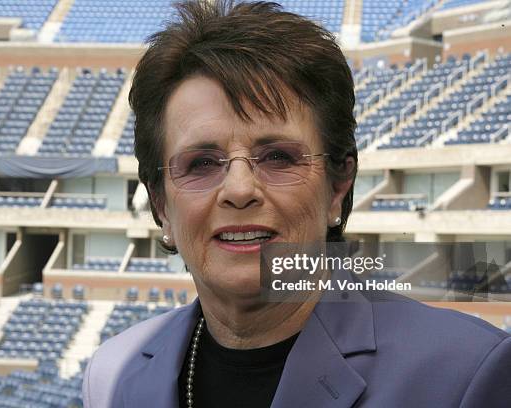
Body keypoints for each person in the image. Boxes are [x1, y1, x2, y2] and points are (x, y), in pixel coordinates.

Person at [82, 1, 511, 407]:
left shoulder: (466, 372)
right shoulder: (111, 375)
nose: (239, 189)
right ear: (160, 205)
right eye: (202, 163)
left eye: (278, 157)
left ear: (338, 187)